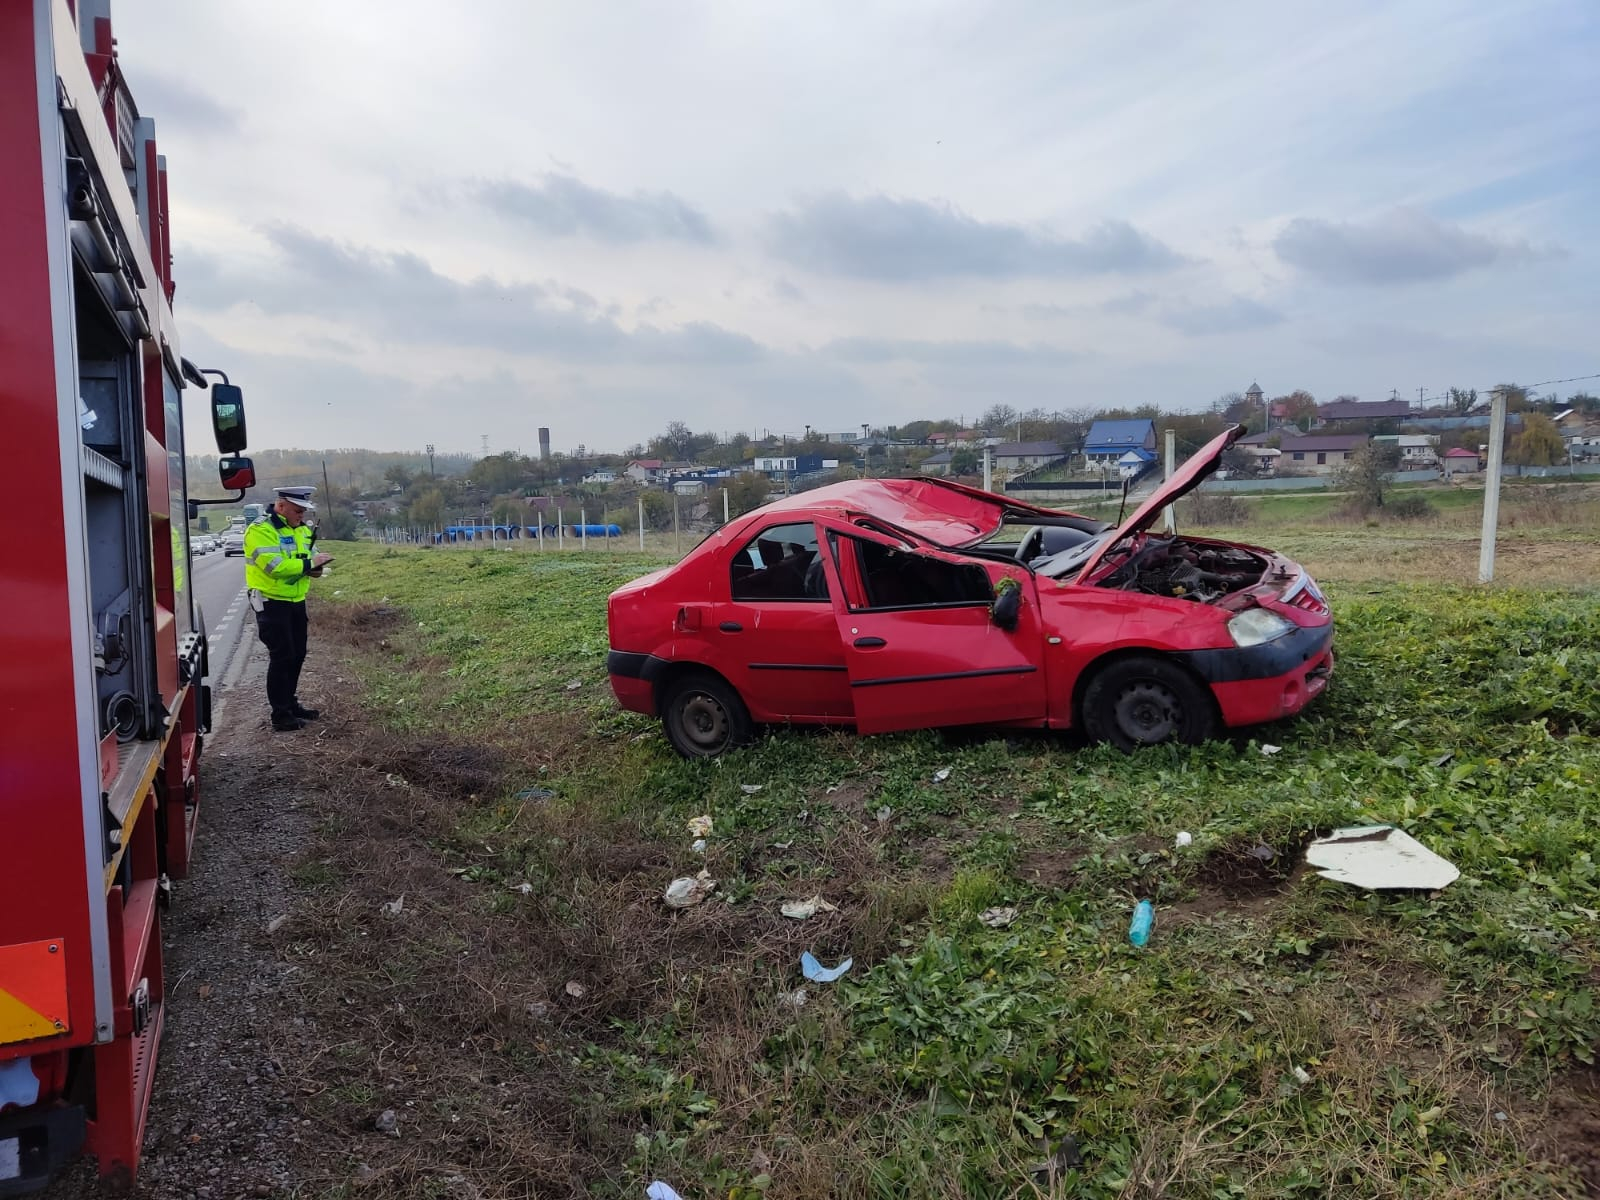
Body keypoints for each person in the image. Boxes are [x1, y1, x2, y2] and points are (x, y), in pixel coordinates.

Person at [243, 486, 333, 731]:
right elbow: (275, 567)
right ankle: (280, 715)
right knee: (282, 657)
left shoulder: (302, 530)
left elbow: (308, 559)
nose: (301, 515)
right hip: (271, 603)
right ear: (281, 506)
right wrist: (308, 563)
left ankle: (290, 704)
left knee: (297, 655)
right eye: (297, 510)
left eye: (304, 511)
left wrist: (317, 567)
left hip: (295, 600)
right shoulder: (260, 530)